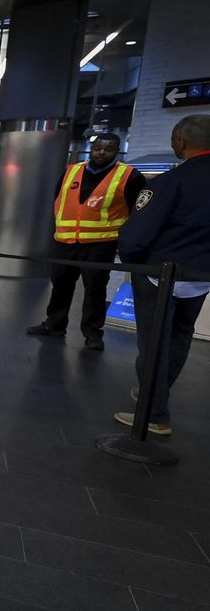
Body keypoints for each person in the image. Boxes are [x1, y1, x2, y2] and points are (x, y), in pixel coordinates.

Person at [112, 116, 210, 435]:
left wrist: (134, 263)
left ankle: (154, 414)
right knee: (181, 336)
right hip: (200, 276)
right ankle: (156, 392)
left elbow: (135, 236)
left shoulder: (171, 182)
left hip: (160, 274)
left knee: (154, 341)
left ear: (180, 140)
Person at [26, 133, 146, 350]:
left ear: (117, 151)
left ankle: (92, 333)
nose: (101, 152)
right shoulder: (72, 170)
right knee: (60, 285)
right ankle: (54, 325)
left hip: (100, 244)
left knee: (95, 289)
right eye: (98, 148)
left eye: (107, 149)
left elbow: (138, 211)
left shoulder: (129, 176)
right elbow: (58, 199)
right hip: (65, 241)